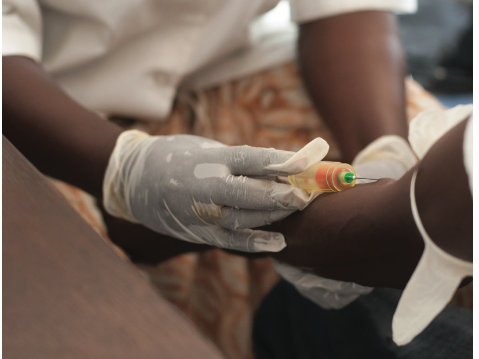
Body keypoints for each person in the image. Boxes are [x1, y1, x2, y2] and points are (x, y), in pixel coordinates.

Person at [3, 0, 453, 357]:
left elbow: (344, 8)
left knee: (421, 148)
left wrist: (384, 151)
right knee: (53, 292)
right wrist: (122, 167)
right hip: (39, 107)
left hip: (231, 63)